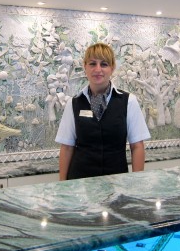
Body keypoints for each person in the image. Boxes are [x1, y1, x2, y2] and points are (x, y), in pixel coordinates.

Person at [55, 43, 151, 180]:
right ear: (85, 67)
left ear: (112, 68)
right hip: (79, 184)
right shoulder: (74, 103)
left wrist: (136, 182)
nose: (98, 69)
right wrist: (62, 186)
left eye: (104, 64)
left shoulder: (128, 101)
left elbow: (137, 146)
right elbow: (67, 147)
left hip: (116, 183)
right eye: (92, 64)